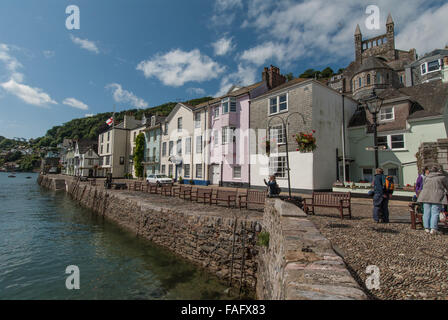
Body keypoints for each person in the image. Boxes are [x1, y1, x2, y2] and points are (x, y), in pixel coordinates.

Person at [416, 166, 448, 235]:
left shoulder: (426, 177)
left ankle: (426, 228)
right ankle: (433, 228)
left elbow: (423, 186)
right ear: (437, 171)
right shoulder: (442, 177)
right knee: (435, 212)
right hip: (437, 196)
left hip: (425, 196)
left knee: (426, 212)